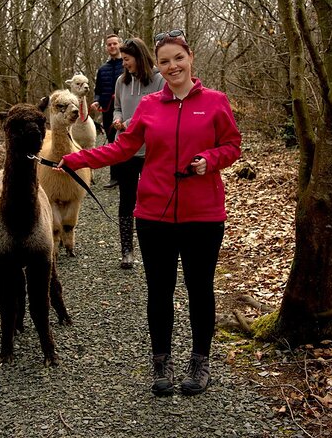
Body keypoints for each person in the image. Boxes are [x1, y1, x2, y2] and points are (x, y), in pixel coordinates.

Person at [58, 30, 241, 397]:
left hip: (203, 214)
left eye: (178, 58)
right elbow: (122, 149)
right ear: (156, 66)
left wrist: (210, 160)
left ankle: (200, 363)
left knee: (200, 289)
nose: (172, 66)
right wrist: (73, 159)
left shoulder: (216, 102)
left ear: (190, 58)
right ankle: (161, 364)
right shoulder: (150, 106)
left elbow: (232, 145)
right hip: (154, 214)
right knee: (159, 290)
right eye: (165, 61)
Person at [112, 37, 164, 269]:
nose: (124, 64)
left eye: (127, 59)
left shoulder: (159, 81)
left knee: (154, 199)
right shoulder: (120, 82)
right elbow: (118, 107)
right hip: (125, 149)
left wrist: (132, 122)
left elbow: (159, 110)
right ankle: (127, 251)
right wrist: (118, 119)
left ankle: (158, 248)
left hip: (151, 150)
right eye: (122, 60)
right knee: (127, 199)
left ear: (139, 58)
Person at [90, 34, 124, 189]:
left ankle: (135, 175)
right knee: (112, 143)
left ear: (120, 45)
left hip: (127, 109)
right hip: (108, 111)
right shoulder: (102, 69)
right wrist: (97, 101)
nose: (112, 47)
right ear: (106, 47)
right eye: (109, 44)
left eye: (115, 44)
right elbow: (98, 91)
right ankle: (115, 177)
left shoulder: (127, 64)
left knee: (131, 141)